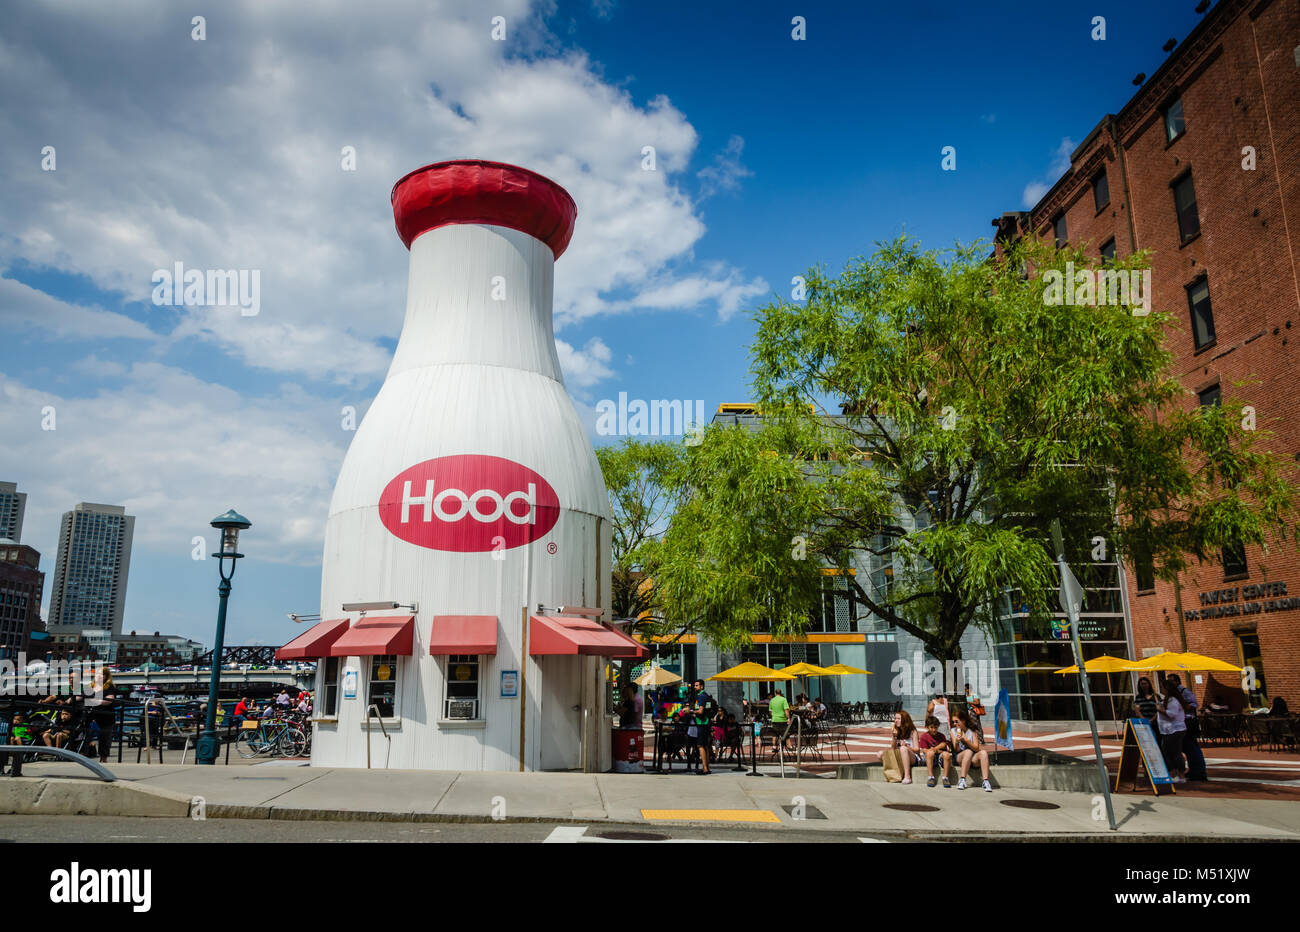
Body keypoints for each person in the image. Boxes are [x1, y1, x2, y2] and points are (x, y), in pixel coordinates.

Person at [1168, 673, 1207, 782]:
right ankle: (1194, 770)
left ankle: (1199, 772)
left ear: (1177, 681)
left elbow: (1194, 704)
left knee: (1192, 748)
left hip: (1188, 723)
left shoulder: (1185, 692)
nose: (1170, 684)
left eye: (1171, 681)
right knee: (1186, 748)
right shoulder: (1173, 694)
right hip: (1180, 724)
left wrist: (1182, 706)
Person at [1155, 679, 1188, 784]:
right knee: (1169, 752)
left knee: (1174, 752)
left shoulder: (1173, 700)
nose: (1161, 689)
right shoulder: (1169, 699)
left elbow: (1172, 714)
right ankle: (1175, 773)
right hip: (1168, 730)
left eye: (1162, 687)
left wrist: (1160, 709)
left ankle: (1180, 774)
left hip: (1174, 730)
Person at [952, 709, 993, 792]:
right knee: (968, 751)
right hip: (960, 757)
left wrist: (966, 740)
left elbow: (976, 748)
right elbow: (956, 750)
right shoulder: (953, 731)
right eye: (953, 722)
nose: (955, 724)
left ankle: (985, 781)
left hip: (972, 758)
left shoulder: (972, 731)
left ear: (963, 720)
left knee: (983, 753)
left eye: (957, 721)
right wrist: (957, 742)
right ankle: (962, 779)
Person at [686, 679, 716, 774]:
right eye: (695, 685)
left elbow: (701, 711)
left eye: (697, 685)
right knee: (705, 745)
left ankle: (705, 768)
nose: (695, 687)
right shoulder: (704, 695)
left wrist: (690, 711)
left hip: (702, 724)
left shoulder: (702, 697)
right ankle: (707, 767)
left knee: (700, 745)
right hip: (705, 723)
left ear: (702, 686)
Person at [889, 710, 923, 785]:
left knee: (903, 749)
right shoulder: (896, 730)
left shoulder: (913, 731)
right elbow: (892, 749)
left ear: (904, 720)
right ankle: (891, 775)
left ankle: (907, 777)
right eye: (895, 718)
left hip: (914, 758)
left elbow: (917, 750)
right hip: (901, 756)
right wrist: (894, 737)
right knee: (880, 754)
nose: (896, 721)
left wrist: (907, 746)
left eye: (898, 719)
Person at [918, 715, 952, 787]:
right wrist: (935, 751)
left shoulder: (941, 736)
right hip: (929, 757)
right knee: (930, 753)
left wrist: (935, 749)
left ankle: (945, 777)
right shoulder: (924, 736)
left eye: (936, 727)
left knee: (947, 755)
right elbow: (924, 750)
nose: (934, 730)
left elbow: (944, 746)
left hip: (939, 757)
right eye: (931, 727)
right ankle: (931, 777)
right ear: (927, 727)